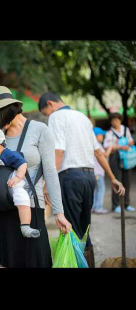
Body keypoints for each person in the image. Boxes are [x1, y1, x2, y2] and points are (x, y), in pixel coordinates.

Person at [0, 86, 72, 268]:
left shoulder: (39, 130)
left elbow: (50, 172)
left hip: (31, 210)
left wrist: (59, 213)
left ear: (5, 110)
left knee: (34, 261)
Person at [38, 92, 125, 268]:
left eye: (46, 112)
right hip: (88, 177)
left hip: (69, 178)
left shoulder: (55, 117)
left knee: (71, 228)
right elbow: (98, 152)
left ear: (50, 104)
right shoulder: (82, 117)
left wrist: (48, 181)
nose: (48, 115)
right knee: (84, 229)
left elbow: (59, 151)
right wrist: (113, 178)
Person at [103, 112, 135, 213]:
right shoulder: (109, 133)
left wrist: (130, 142)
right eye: (112, 121)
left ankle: (126, 204)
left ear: (120, 120)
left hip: (127, 158)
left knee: (127, 181)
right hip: (115, 158)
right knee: (117, 181)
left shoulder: (126, 129)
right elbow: (106, 147)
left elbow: (130, 140)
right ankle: (116, 205)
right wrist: (120, 147)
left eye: (116, 120)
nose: (114, 122)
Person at [92, 127, 113, 214]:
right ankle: (98, 208)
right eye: (101, 135)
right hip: (98, 172)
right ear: (96, 136)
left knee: (95, 190)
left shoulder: (91, 145)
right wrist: (111, 146)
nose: (102, 137)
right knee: (101, 189)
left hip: (93, 172)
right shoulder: (98, 145)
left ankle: (94, 207)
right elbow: (106, 155)